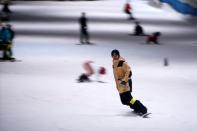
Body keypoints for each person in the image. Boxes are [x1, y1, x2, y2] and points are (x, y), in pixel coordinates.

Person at [111, 49, 147, 115]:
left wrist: (124, 81)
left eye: (116, 55)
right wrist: (117, 85)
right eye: (113, 55)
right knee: (124, 101)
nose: (114, 56)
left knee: (129, 99)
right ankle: (136, 107)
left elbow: (129, 71)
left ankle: (142, 108)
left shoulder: (122, 62)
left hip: (125, 83)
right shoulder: (114, 64)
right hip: (119, 85)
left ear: (118, 55)